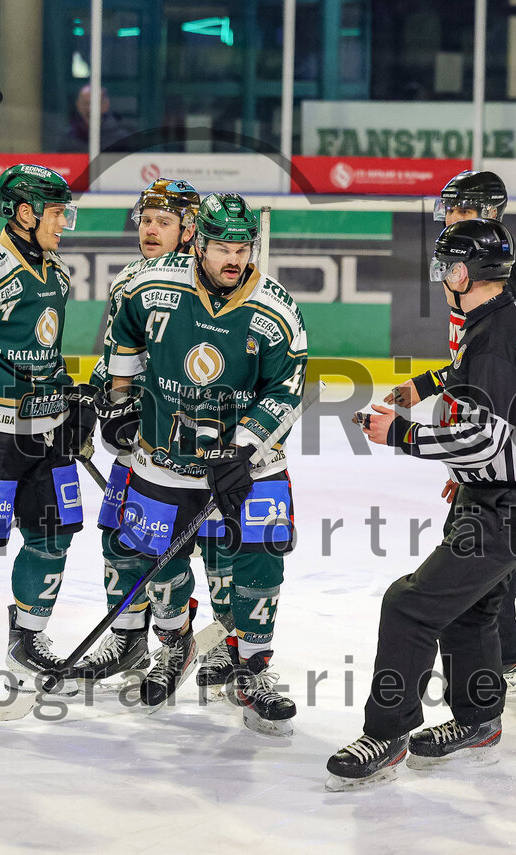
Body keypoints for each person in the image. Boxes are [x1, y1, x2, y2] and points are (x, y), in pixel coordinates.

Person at [326, 218, 516, 788]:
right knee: (470, 608)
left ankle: (386, 734)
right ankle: (479, 721)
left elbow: (483, 437)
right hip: (498, 491)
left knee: (409, 605)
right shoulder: (499, 318)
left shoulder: (495, 335)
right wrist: (431, 396)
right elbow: (476, 387)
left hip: (509, 505)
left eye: (446, 266)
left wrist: (401, 434)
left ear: (464, 273)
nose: (440, 277)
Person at [102, 192, 308, 735]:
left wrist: (242, 449)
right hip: (164, 458)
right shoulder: (150, 286)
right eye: (222, 248)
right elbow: (124, 339)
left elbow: (286, 390)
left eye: (242, 248)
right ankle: (176, 646)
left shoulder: (277, 309)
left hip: (251, 463)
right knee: (159, 559)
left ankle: (252, 670)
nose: (233, 259)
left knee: (262, 556)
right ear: (199, 245)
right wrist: (121, 400)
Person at [386, 170, 516, 688]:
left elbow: (494, 362)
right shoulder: (482, 259)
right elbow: (477, 359)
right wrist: (430, 386)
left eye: (460, 208)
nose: (449, 217)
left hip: (503, 425)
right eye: (448, 208)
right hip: (501, 421)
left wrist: (466, 453)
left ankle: (511, 655)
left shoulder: (486, 270)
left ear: (485, 212)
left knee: (501, 540)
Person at [72, 178, 243, 693]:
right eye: (145, 220)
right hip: (141, 442)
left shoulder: (212, 286)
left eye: (163, 221)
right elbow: (116, 356)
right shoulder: (132, 280)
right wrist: (98, 400)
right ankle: (130, 638)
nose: (149, 229)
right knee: (125, 540)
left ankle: (228, 642)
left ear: (191, 230)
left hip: (204, 444)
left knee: (219, 545)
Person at [0, 164, 94, 695]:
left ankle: (27, 641)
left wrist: (69, 396)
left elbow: (46, 350)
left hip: (48, 431)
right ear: (23, 212)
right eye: (56, 213)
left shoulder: (57, 272)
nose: (64, 223)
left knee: (54, 535)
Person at [55, 84, 133, 152]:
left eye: (94, 104)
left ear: (105, 105)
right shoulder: (68, 138)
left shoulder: (120, 138)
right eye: (85, 103)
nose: (89, 109)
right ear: (78, 105)